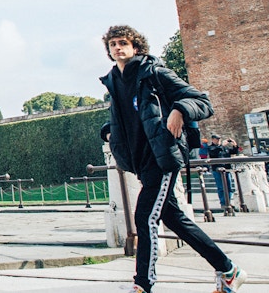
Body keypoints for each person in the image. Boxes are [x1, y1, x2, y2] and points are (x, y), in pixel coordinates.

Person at [99, 25, 246, 293]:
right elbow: (130, 117)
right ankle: (228, 270)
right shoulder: (113, 81)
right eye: (113, 44)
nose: (118, 48)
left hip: (162, 156)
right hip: (140, 161)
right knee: (174, 218)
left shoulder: (154, 73)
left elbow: (202, 101)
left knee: (144, 217)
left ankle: (143, 285)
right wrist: (109, 130)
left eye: (123, 42)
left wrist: (179, 109)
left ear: (136, 47)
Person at [208, 134, 238, 209]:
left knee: (229, 187)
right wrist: (221, 146)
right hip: (217, 170)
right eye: (216, 139)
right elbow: (214, 153)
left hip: (227, 169)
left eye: (219, 139)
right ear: (213, 140)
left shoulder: (225, 148)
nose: (218, 141)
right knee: (221, 187)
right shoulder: (211, 148)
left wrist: (235, 145)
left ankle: (229, 201)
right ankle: (223, 203)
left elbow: (234, 152)